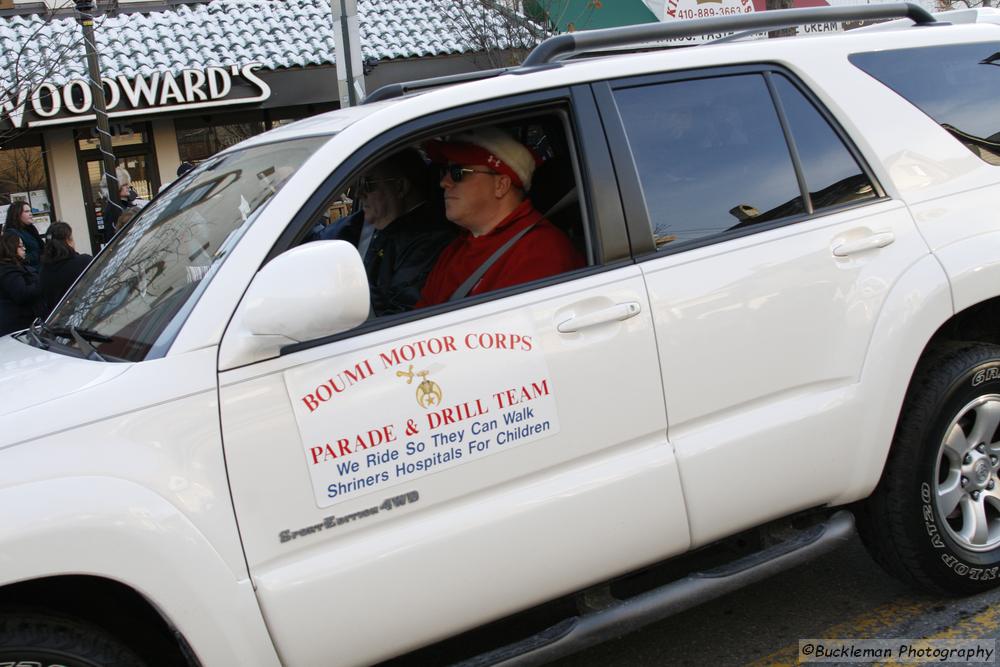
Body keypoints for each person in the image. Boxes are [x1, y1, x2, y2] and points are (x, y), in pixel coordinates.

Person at [415, 127, 583, 307]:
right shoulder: (456, 249)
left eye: (459, 172)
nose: (444, 182)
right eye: (444, 172)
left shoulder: (540, 251)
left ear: (501, 185)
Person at [355, 149, 456, 315]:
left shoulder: (428, 240)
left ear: (400, 187)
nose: (359, 194)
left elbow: (399, 314)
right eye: (357, 185)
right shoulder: (373, 227)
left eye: (367, 184)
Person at [39, 222, 92, 317]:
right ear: (68, 240)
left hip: (57, 323)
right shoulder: (84, 262)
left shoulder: (44, 270)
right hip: (84, 317)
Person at [0, 231, 42, 335]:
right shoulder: (8, 270)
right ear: (11, 249)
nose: (24, 248)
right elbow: (22, 293)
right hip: (18, 326)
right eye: (20, 246)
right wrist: (42, 285)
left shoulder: (19, 266)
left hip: (24, 322)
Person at [3, 200, 45, 271]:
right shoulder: (11, 233)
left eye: (30, 211)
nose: (31, 214)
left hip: (39, 270)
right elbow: (16, 257)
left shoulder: (30, 229)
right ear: (17, 214)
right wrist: (38, 255)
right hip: (29, 273)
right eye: (26, 211)